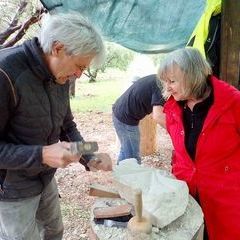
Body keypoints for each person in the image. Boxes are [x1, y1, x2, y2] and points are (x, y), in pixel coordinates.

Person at [0, 12, 112, 240]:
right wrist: (41, 154)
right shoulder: (5, 73)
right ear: (58, 48)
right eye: (79, 66)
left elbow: (66, 125)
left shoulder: (59, 74)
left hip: (45, 178)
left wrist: (90, 154)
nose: (79, 75)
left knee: (54, 232)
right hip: (12, 189)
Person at [157, 47, 240, 240]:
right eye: (165, 81)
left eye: (172, 81)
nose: (167, 88)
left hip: (227, 200)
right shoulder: (173, 108)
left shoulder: (233, 102)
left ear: (192, 76)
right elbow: (180, 153)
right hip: (187, 196)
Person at [112, 74, 165, 164]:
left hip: (121, 113)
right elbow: (158, 116)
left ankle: (120, 174)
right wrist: (172, 131)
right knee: (133, 158)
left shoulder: (159, 79)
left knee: (126, 150)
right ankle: (129, 176)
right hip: (125, 119)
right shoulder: (161, 85)